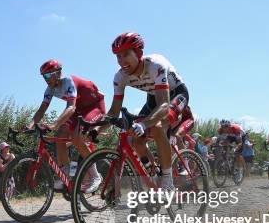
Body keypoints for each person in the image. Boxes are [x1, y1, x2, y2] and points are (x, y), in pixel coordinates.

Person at [107, 32, 189, 190]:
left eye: (126, 55)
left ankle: (167, 181)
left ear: (138, 53)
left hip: (175, 94)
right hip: (153, 98)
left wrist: (144, 124)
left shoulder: (155, 65)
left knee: (157, 127)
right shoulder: (120, 77)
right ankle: (155, 172)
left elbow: (164, 105)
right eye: (118, 56)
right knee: (136, 138)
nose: (121, 61)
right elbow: (113, 112)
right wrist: (94, 130)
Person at [27, 59, 106, 193]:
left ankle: (95, 176)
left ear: (58, 73)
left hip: (94, 106)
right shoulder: (50, 88)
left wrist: (54, 124)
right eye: (43, 76)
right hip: (78, 109)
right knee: (59, 136)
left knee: (76, 136)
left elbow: (71, 107)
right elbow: (41, 110)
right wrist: (29, 125)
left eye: (48, 75)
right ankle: (67, 171)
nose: (46, 79)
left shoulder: (68, 82)